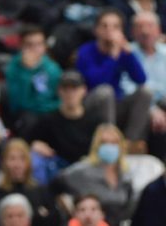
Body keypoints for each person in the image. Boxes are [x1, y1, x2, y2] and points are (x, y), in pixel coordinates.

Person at [75, 9, 152, 143]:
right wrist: (112, 57)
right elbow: (95, 82)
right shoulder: (86, 51)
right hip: (91, 104)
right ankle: (110, 141)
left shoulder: (121, 51)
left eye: (115, 27)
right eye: (104, 26)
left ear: (121, 31)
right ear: (96, 30)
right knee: (106, 91)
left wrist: (129, 55)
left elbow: (141, 79)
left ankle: (130, 142)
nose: (109, 30)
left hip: (116, 103)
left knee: (145, 92)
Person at [54, 125, 136, 226]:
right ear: (96, 145)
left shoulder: (125, 175)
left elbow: (129, 206)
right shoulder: (82, 171)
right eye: (104, 142)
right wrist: (64, 211)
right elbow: (54, 185)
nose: (109, 147)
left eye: (114, 142)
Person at [27, 71, 101, 172]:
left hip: (86, 170)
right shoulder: (48, 120)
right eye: (65, 89)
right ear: (59, 91)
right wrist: (34, 144)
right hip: (57, 170)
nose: (70, 94)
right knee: (36, 158)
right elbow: (26, 140)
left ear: (84, 90)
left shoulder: (94, 120)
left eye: (74, 89)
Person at [5, 26, 62, 130]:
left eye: (39, 44)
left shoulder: (52, 68)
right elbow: (18, 103)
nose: (35, 48)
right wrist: (27, 71)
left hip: (48, 112)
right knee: (29, 120)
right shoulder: (13, 68)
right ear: (21, 46)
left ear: (45, 46)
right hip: (26, 114)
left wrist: (48, 108)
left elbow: (59, 99)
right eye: (30, 44)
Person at [121, 11, 166, 140]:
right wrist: (152, 109)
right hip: (138, 105)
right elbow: (125, 87)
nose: (145, 31)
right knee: (144, 96)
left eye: (150, 26)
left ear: (159, 30)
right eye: (140, 26)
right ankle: (131, 144)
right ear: (132, 32)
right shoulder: (126, 53)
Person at [0, 140, 60, 226]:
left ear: (28, 162)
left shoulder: (40, 191)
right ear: (4, 162)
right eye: (12, 159)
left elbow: (54, 219)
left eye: (22, 158)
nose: (17, 164)